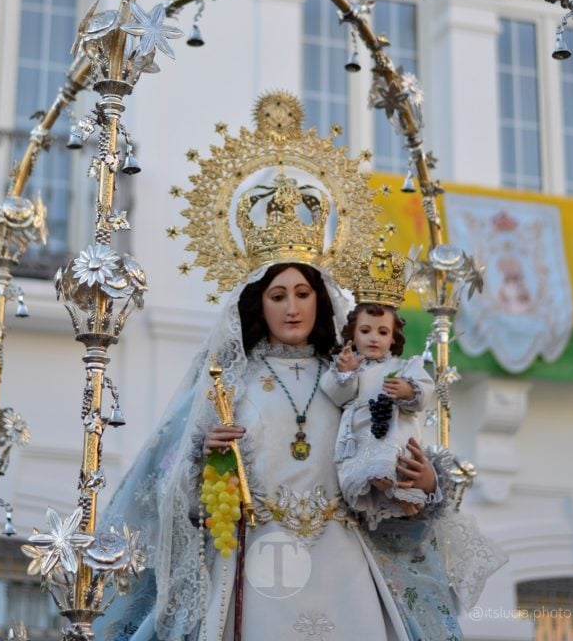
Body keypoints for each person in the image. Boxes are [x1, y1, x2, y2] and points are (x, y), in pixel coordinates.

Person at [98, 261, 454, 641]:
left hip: (344, 569)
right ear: (259, 303)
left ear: (319, 300)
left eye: (303, 294)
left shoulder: (351, 379)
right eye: (278, 296)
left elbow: (384, 460)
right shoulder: (230, 383)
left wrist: (424, 482)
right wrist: (209, 458)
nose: (292, 309)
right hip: (259, 563)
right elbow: (177, 496)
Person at [320, 302, 434, 522]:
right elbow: (337, 395)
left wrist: (407, 390)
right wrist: (345, 373)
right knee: (363, 471)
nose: (374, 338)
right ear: (353, 335)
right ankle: (380, 497)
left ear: (393, 338)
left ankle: (402, 496)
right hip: (360, 432)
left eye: (383, 332)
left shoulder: (403, 366)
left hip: (392, 427)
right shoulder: (350, 365)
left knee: (394, 464)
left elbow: (424, 392)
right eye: (365, 331)